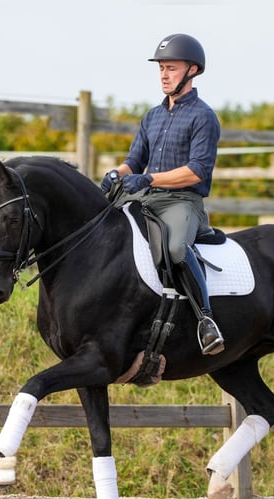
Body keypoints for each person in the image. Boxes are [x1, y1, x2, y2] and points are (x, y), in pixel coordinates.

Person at [100, 33, 224, 355]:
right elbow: (133, 162)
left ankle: (205, 321)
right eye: (161, 69)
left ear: (192, 70)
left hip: (183, 201)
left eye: (171, 68)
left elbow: (197, 170)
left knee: (177, 248)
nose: (164, 75)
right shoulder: (151, 117)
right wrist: (117, 174)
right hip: (145, 198)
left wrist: (149, 178)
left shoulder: (203, 117)